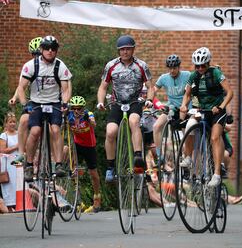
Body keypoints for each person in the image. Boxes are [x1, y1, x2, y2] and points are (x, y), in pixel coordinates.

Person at [97, 35, 154, 182]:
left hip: (135, 102)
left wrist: (149, 100)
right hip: (117, 103)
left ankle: (137, 158)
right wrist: (100, 102)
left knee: (134, 121)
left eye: (128, 49)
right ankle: (110, 167)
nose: (125, 52)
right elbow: (103, 87)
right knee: (110, 132)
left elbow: (150, 87)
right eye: (122, 49)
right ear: (118, 51)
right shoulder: (111, 66)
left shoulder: (141, 65)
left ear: (133, 49)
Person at [17, 35, 72, 182]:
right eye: (47, 48)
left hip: (54, 103)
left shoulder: (60, 66)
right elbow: (21, 88)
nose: (50, 51)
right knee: (35, 131)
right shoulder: (31, 65)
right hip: (36, 103)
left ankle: (58, 164)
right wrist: (25, 104)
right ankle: (29, 165)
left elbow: (65, 89)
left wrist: (65, 103)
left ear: (56, 51)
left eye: (53, 49)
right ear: (41, 49)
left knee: (55, 129)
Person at [180, 47, 233, 187]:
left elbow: (229, 93)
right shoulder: (193, 76)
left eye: (203, 65)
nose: (200, 68)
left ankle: (216, 174)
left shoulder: (216, 73)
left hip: (217, 111)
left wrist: (221, 107)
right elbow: (187, 94)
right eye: (197, 66)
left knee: (215, 137)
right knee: (190, 125)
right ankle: (189, 157)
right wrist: (184, 105)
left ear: (208, 63)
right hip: (202, 110)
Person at [8, 37, 42, 165]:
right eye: (34, 54)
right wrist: (14, 97)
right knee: (23, 120)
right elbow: (21, 86)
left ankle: (53, 158)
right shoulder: (28, 66)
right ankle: (21, 153)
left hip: (48, 101)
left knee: (51, 128)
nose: (36, 56)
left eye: (38, 53)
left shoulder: (52, 65)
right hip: (32, 101)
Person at [67, 96, 101, 213]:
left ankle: (97, 197)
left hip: (89, 145)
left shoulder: (88, 113)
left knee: (93, 174)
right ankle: (78, 200)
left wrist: (89, 120)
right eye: (74, 108)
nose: (76, 111)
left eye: (79, 108)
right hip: (77, 144)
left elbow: (94, 124)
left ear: (83, 108)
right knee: (73, 169)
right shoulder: (69, 115)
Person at [153, 54, 190, 160]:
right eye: (170, 68)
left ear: (179, 67)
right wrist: (149, 100)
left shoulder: (187, 75)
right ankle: (160, 156)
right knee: (156, 127)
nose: (172, 70)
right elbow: (154, 90)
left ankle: (186, 157)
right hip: (171, 108)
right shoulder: (164, 78)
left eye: (174, 67)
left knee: (185, 137)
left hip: (185, 108)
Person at [0, 112, 19, 212]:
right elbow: (2, 150)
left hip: (19, 165)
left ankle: (20, 206)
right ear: (6, 123)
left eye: (14, 122)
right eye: (10, 122)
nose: (12, 124)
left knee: (19, 185)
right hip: (8, 166)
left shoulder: (19, 134)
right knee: (9, 187)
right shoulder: (4, 135)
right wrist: (16, 146)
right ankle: (10, 209)